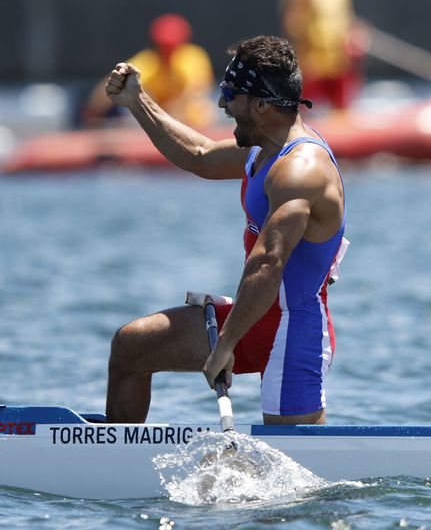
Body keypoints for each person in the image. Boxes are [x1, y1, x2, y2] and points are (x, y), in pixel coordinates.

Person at [103, 35, 347, 425]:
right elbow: (197, 155)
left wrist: (226, 344)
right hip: (256, 313)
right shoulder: (263, 146)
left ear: (263, 105)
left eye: (231, 94)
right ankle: (112, 463)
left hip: (293, 331)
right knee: (132, 347)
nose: (221, 104)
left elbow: (267, 264)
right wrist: (138, 100)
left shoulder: (300, 170)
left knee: (299, 481)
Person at [81, 14, 216, 128]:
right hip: (158, 125)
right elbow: (107, 88)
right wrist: (94, 112)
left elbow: (195, 95)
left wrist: (163, 112)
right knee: (129, 110)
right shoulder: (149, 61)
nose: (167, 53)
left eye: (172, 47)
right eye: (163, 47)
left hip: (192, 125)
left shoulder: (193, 58)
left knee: (206, 110)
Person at [280, 0, 369, 110]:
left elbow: (345, 16)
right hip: (310, 65)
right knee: (298, 114)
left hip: (338, 62)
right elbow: (292, 23)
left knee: (342, 114)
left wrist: (355, 33)